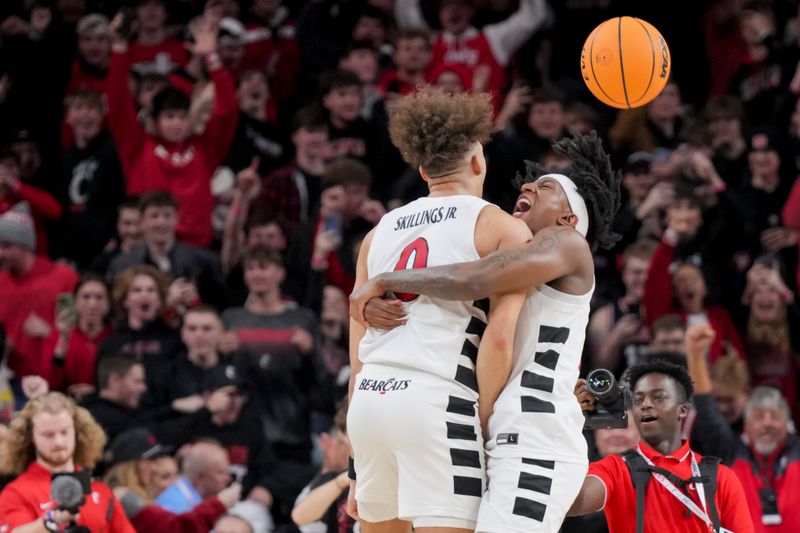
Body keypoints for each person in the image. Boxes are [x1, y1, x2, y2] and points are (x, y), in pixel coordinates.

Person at [350, 130, 621, 532]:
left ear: (569, 218)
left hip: (535, 438)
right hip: (506, 434)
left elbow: (475, 278)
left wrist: (387, 278)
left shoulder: (567, 244)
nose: (528, 185)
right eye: (531, 182)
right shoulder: (518, 254)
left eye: (546, 187)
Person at [347, 88, 533, 532]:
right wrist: (486, 425)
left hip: (372, 401)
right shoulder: (501, 228)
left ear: (422, 167)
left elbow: (356, 354)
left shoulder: (378, 234)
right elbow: (501, 338)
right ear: (477, 160)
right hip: (438, 400)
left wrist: (355, 465)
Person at [566, 360, 755, 533]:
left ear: (682, 410)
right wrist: (565, 420)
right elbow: (566, 502)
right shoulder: (616, 469)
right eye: (639, 400)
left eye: (658, 397)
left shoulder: (721, 477)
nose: (646, 404)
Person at [0, 392, 135, 532]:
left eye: (64, 432)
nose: (58, 442)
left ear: (77, 431)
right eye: (48, 434)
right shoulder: (16, 493)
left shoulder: (101, 491)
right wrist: (51, 521)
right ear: (31, 436)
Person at [0, 203, 79, 403]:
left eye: (6, 247)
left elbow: (79, 331)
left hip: (54, 382)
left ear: (26, 246)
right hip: (9, 382)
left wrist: (49, 332)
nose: (1, 253)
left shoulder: (63, 278)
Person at [45, 275, 113, 398]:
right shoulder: (60, 336)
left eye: (99, 297)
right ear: (75, 301)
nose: (92, 304)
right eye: (86, 297)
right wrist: (64, 339)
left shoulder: (116, 337)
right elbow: (51, 385)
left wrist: (96, 392)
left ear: (108, 303)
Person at [155, 440, 234, 513]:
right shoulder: (173, 508)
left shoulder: (200, 499)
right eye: (221, 473)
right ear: (201, 477)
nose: (227, 478)